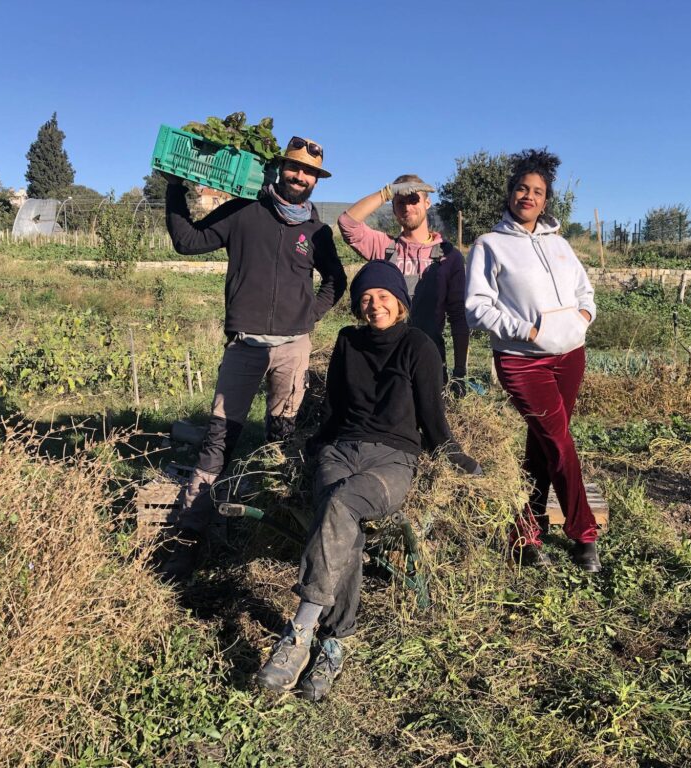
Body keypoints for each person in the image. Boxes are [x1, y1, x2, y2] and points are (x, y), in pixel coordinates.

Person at [256, 260, 481, 700]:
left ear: (399, 302)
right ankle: (335, 644)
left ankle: (300, 632)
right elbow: (335, 407)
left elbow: (433, 421)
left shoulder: (420, 346)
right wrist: (315, 445)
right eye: (365, 299)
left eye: (382, 296)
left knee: (340, 507)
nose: (373, 304)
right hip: (340, 450)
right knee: (344, 527)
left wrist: (459, 459)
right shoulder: (347, 341)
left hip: (392, 460)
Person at [159, 136, 347, 580]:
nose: (301, 177)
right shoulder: (245, 210)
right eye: (295, 168)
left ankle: (274, 531)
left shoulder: (316, 231)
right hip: (244, 346)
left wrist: (308, 317)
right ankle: (189, 537)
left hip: (292, 349)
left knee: (283, 439)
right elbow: (188, 241)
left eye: (310, 173)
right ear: (280, 167)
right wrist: (174, 189)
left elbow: (335, 281)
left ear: (316, 180)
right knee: (218, 439)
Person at [464, 149, 600, 572]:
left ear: (545, 201)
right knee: (559, 442)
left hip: (569, 357)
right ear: (510, 194)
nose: (529, 196)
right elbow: (477, 308)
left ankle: (524, 532)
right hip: (523, 361)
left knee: (544, 446)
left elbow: (585, 293)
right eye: (522, 188)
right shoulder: (490, 245)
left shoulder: (559, 245)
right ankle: (583, 533)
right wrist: (530, 331)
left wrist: (581, 319)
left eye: (537, 191)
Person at [338, 176, 469, 392]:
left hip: (429, 359)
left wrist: (460, 372)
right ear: (393, 209)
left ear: (427, 203)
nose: (407, 207)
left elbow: (458, 315)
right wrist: (387, 193)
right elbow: (347, 224)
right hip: (384, 360)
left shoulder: (449, 256)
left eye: (414, 200)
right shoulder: (384, 247)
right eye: (400, 202)